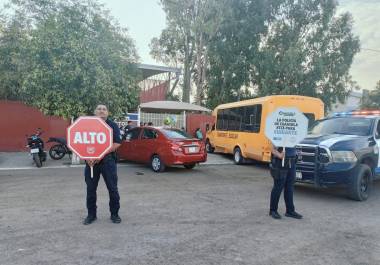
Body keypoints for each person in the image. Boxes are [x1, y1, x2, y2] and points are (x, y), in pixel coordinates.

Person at [83, 104, 122, 225]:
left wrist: (100, 155)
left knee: (113, 189)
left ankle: (114, 214)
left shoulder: (112, 125)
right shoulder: (87, 125)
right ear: (95, 111)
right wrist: (86, 157)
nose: (101, 111)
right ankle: (91, 215)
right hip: (90, 162)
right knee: (90, 190)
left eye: (104, 109)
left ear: (107, 113)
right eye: (99, 109)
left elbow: (117, 143)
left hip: (108, 162)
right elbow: (80, 142)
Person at [269, 146, 302, 220]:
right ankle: (273, 210)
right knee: (278, 186)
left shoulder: (293, 134)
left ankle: (290, 211)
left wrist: (296, 152)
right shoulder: (278, 134)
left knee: (290, 187)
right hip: (280, 162)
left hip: (292, 161)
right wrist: (279, 155)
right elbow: (271, 148)